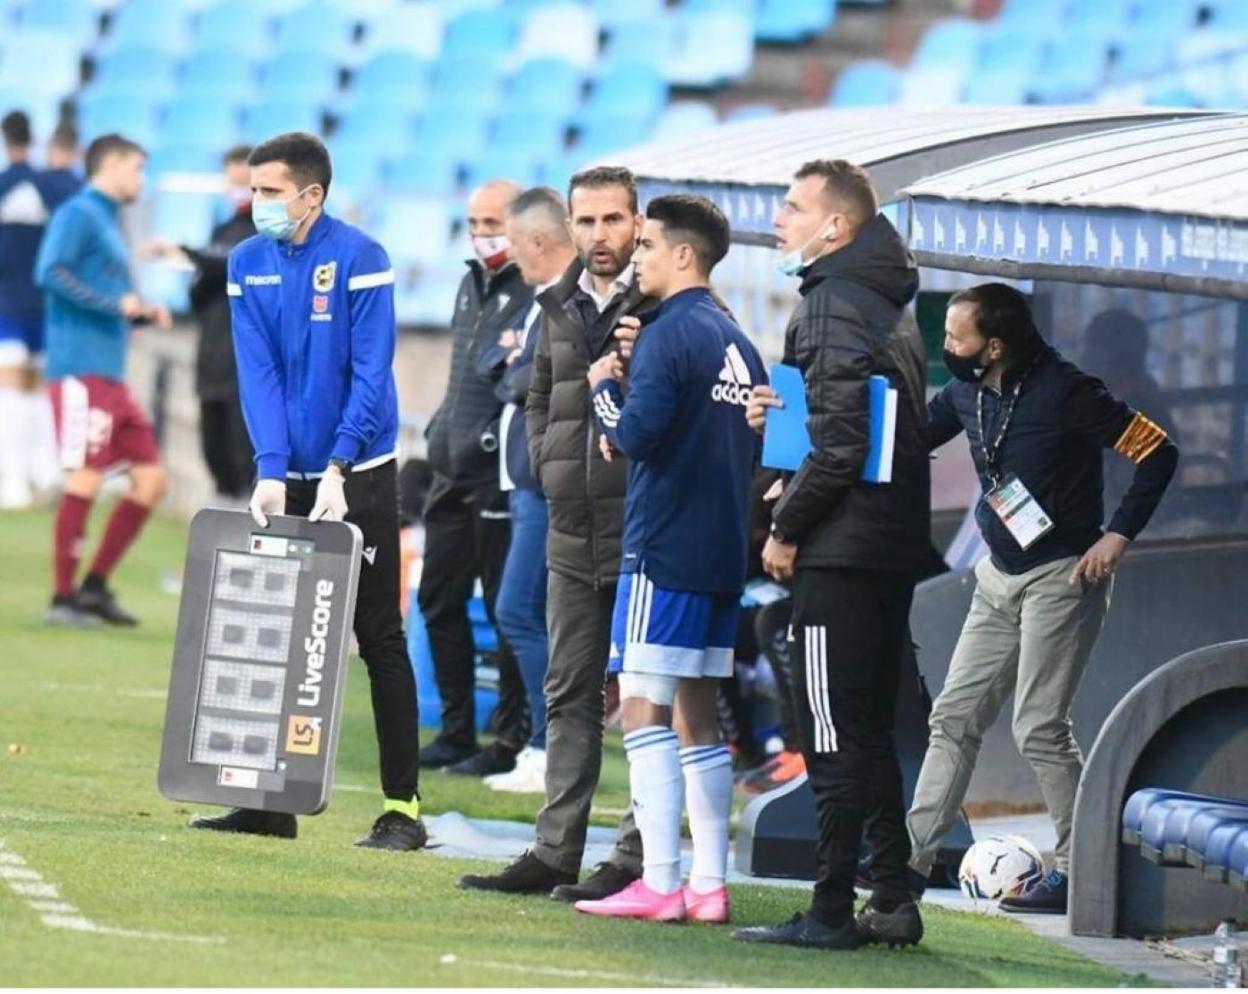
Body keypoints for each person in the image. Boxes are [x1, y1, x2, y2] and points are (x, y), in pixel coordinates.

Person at [903, 283, 1178, 914]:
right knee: (952, 718)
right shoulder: (967, 392)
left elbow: (1158, 452)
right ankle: (909, 864)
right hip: (998, 575)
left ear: (994, 346)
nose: (946, 346)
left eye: (956, 337)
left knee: (1038, 728)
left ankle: (1082, 869)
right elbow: (909, 439)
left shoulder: (1069, 391)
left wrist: (1118, 536)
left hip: (1064, 575)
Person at [190, 131, 426, 851]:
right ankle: (269, 803)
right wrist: (269, 466)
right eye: (252, 190)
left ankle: (402, 809)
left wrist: (339, 467)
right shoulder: (246, 262)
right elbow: (256, 372)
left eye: (268, 191)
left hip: (361, 472)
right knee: (275, 633)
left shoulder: (361, 257)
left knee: (376, 634)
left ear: (311, 194)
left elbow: (371, 371)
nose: (255, 202)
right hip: (285, 471)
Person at [738, 159, 932, 950]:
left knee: (828, 729)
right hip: (883, 549)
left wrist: (787, 529)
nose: (779, 219)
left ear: (834, 227)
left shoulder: (833, 303)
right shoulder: (879, 301)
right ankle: (890, 897)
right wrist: (781, 423)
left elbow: (845, 441)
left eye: (792, 207)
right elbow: (847, 420)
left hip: (840, 551)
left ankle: (827, 910)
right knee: (868, 727)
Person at [458, 165, 647, 902]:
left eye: (613, 220)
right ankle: (553, 851)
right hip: (571, 521)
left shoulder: (664, 299)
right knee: (568, 691)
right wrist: (548, 465)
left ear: (637, 223)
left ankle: (635, 857)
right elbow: (539, 393)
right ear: (570, 226)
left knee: (645, 702)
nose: (599, 235)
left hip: (640, 527)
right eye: (588, 221)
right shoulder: (557, 303)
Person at [573, 194, 764, 924]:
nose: (637, 255)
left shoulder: (668, 334)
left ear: (683, 254)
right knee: (698, 713)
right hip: (719, 551)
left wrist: (603, 390)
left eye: (647, 244)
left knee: (642, 709)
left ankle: (659, 880)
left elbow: (637, 437)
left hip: (661, 548)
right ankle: (709, 887)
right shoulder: (736, 339)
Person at [417, 179, 532, 776]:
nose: (482, 233)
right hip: (448, 468)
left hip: (495, 475)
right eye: (474, 222)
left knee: (507, 608)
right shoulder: (470, 281)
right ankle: (456, 729)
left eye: (493, 222)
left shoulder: (536, 291)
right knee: (439, 600)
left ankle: (509, 738)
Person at [36, 133, 170, 628]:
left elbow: (106, 293)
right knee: (87, 476)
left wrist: (139, 313)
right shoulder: (79, 212)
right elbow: (50, 272)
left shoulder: (109, 221)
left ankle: (94, 587)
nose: (141, 178)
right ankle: (62, 597)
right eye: (136, 168)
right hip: (80, 368)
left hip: (110, 373)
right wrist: (116, 305)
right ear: (110, 165)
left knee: (152, 481)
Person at [476, 187, 577, 794]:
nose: (509, 255)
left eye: (514, 242)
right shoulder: (541, 303)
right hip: (527, 481)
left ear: (540, 241)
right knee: (526, 611)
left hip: (544, 484)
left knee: (521, 610)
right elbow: (500, 362)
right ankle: (544, 745)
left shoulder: (563, 303)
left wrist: (514, 368)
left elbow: (527, 378)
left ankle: (546, 746)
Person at [146, 145, 256, 499]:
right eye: (232, 181)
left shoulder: (264, 236)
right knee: (214, 450)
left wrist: (187, 253)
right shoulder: (221, 229)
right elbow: (201, 289)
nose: (237, 190)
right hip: (212, 357)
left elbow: (226, 263)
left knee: (245, 456)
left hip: (247, 361)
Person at [0, 112, 80, 508]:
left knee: (11, 390)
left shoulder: (5, 185)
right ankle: (42, 470)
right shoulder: (53, 187)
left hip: (8, 305)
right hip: (48, 305)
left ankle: (13, 480)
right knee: (40, 390)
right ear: (33, 140)